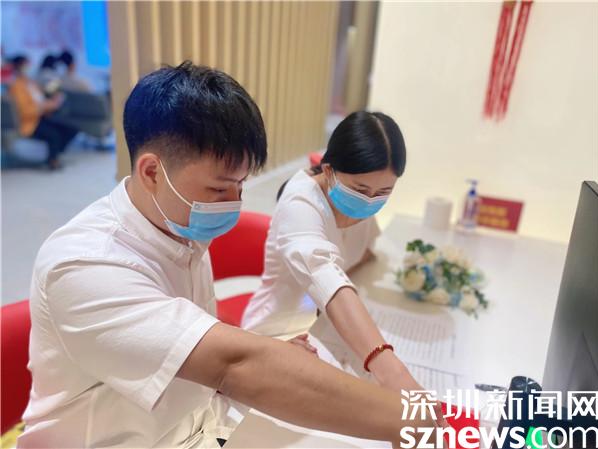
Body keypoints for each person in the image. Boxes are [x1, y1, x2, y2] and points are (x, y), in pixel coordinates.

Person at [17, 62, 446, 448]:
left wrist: (268, 353)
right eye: (220, 188)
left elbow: (204, 349)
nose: (234, 203)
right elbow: (235, 365)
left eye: (240, 186)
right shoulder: (87, 263)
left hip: (195, 424)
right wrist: (407, 418)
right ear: (151, 172)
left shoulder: (177, 228)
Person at [242, 111, 426, 394]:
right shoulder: (300, 203)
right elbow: (323, 273)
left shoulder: (362, 203)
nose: (369, 201)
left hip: (326, 327)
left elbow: (364, 253)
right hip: (280, 332)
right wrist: (394, 373)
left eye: (383, 192)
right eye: (360, 189)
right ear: (328, 171)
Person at [8, 55, 78, 170]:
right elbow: (25, 110)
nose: (29, 67)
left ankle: (55, 153)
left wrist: (51, 102)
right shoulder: (16, 86)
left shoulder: (30, 82)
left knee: (69, 128)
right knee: (54, 134)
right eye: (26, 65)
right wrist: (46, 107)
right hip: (30, 121)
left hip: (42, 116)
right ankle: (52, 160)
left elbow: (42, 96)